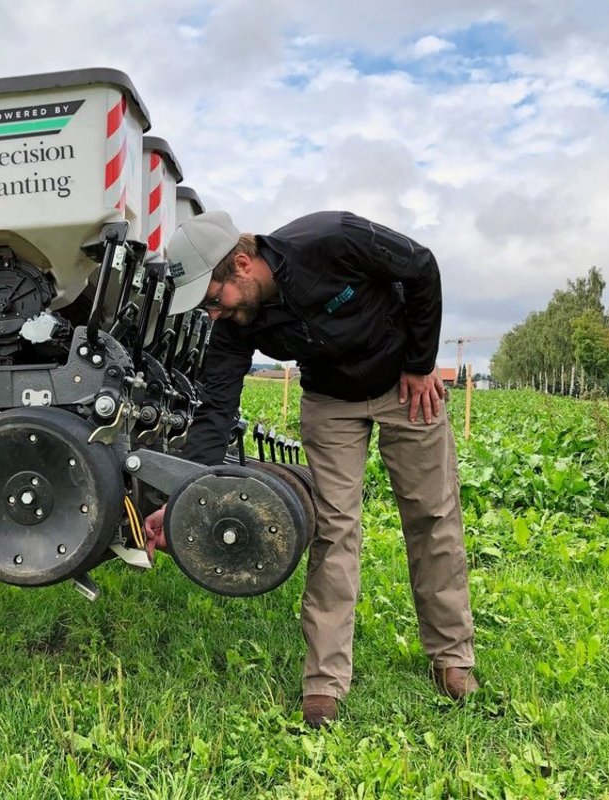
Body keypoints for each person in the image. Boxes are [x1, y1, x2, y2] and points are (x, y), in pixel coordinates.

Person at [144, 210, 478, 728]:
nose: (210, 314)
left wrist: (418, 363)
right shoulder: (237, 324)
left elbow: (420, 267)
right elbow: (214, 414)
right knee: (335, 527)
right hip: (331, 402)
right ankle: (325, 680)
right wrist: (180, 495)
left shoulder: (333, 239)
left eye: (212, 299)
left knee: (432, 516)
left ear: (241, 264)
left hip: (405, 385)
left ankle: (452, 658)